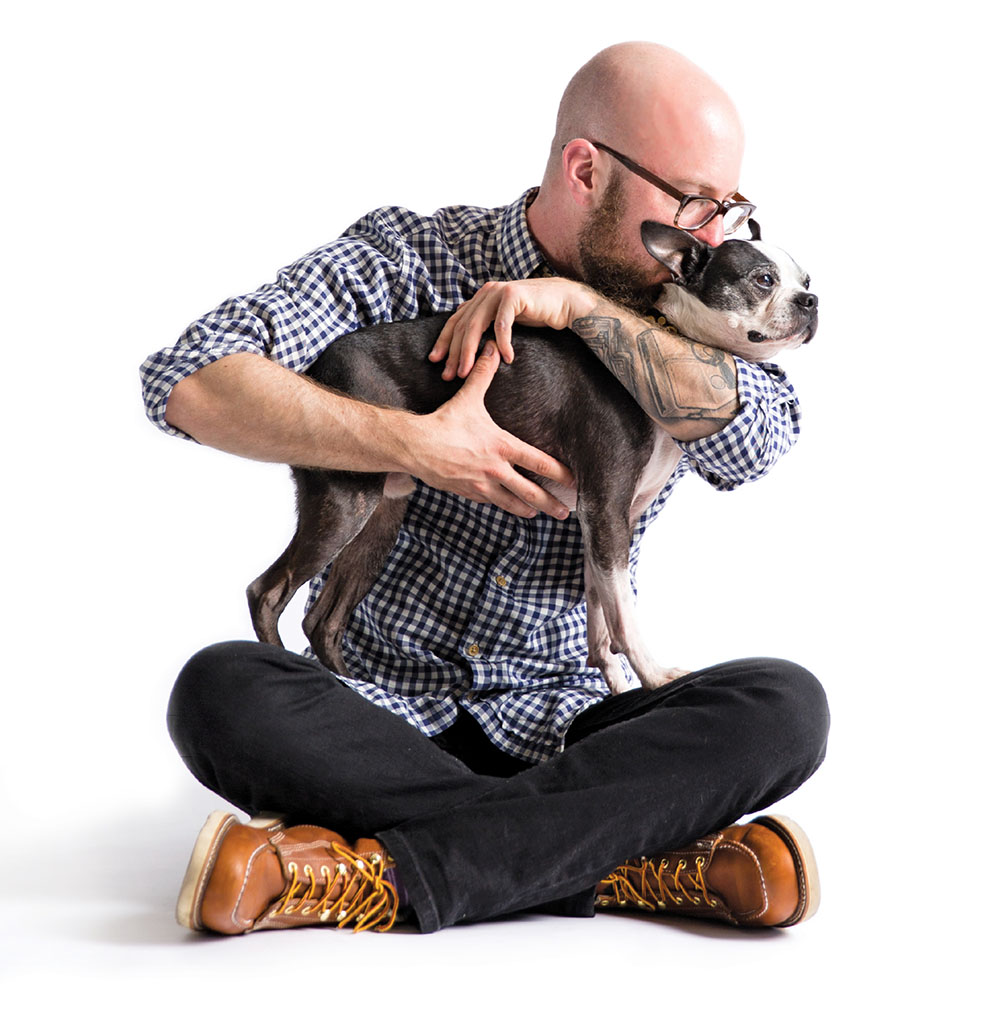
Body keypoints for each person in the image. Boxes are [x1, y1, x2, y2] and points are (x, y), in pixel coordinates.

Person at [141, 42, 829, 936]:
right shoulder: (411, 259)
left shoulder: (700, 317)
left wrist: (583, 311)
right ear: (587, 168)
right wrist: (417, 444)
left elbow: (756, 445)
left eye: (728, 209)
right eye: (694, 202)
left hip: (576, 715)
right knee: (218, 693)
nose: (711, 235)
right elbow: (188, 380)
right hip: (375, 712)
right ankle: (625, 860)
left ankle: (363, 871)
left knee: (786, 707)